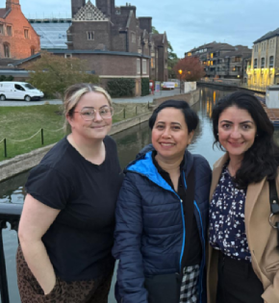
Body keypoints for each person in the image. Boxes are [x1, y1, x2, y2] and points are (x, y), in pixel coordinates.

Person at [207, 91, 279, 303]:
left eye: (245, 126)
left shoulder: (278, 174)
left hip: (260, 283)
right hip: (219, 278)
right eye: (226, 125)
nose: (235, 134)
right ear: (216, 130)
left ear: (258, 130)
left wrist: (275, 297)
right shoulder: (218, 170)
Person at [17, 84, 123, 303]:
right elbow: (28, 236)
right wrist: (53, 293)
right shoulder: (57, 170)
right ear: (70, 117)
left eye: (104, 110)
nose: (98, 118)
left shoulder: (109, 146)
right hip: (61, 279)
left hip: (97, 270)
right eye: (87, 112)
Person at [113, 100, 211, 303]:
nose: (166, 134)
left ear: (190, 135)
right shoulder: (135, 178)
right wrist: (134, 297)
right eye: (160, 127)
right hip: (156, 284)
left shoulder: (201, 168)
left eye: (175, 128)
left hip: (197, 280)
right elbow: (128, 243)